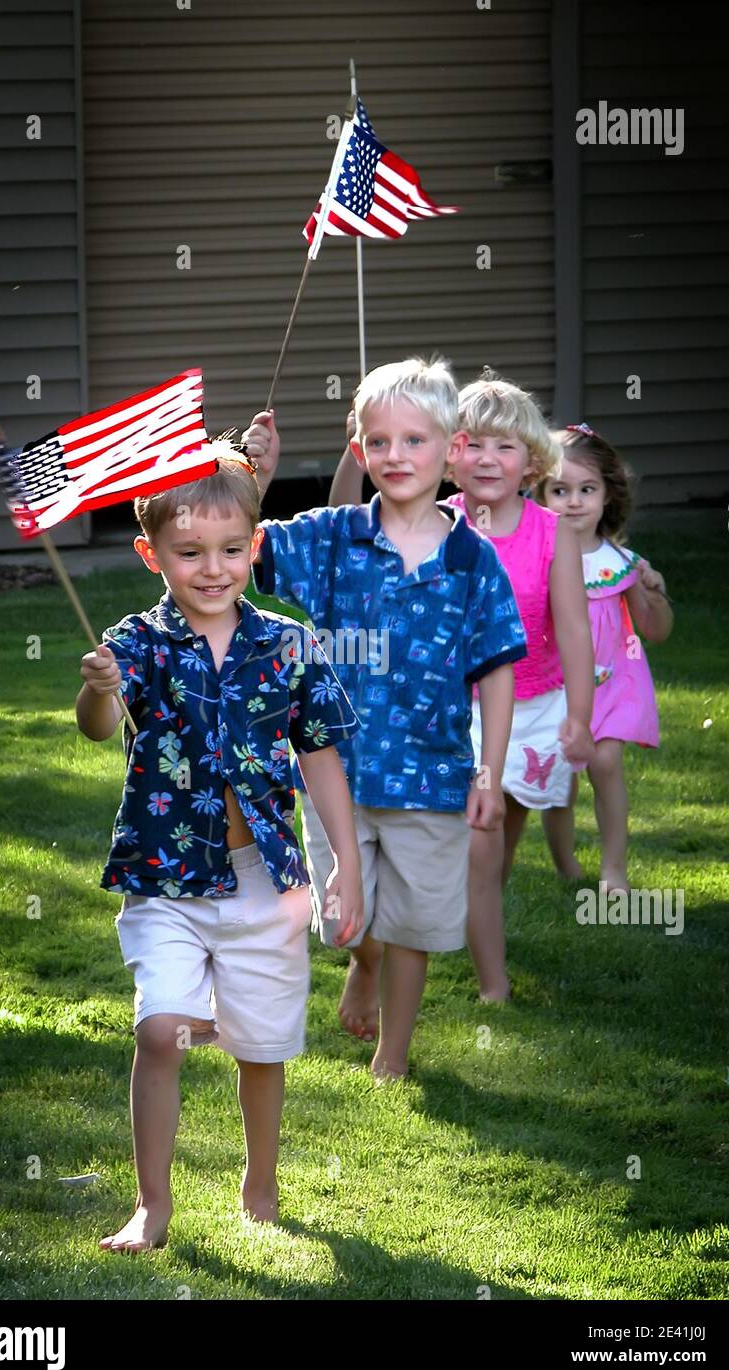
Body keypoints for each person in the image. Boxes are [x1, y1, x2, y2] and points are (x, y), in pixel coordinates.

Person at [76, 447, 363, 1250]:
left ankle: (261, 1180)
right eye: (189, 553)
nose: (212, 569)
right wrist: (97, 691)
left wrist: (347, 864)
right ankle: (152, 1205)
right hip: (166, 877)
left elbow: (321, 757)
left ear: (255, 543)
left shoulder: (288, 645)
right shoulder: (136, 645)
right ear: (151, 553)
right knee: (160, 1029)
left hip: (264, 882)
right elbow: (100, 725)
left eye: (231, 550)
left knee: (261, 1045)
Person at [243, 358, 526, 1078]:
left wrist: (489, 772)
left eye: (415, 440)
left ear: (453, 449)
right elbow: (236, 550)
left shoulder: (474, 562)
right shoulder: (333, 539)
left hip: (432, 777)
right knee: (345, 924)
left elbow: (495, 671)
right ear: (359, 448)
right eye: (380, 441)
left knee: (416, 924)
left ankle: (391, 1056)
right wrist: (255, 479)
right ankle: (360, 965)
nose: (396, 456)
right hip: (332, 771)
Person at [444, 371, 595, 1000]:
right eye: (473, 442)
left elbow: (575, 628)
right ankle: (494, 986)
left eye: (505, 447)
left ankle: (480, 919)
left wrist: (580, 716)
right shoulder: (436, 523)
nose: (487, 458)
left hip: (534, 705)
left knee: (501, 839)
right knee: (479, 843)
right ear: (451, 454)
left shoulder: (550, 531)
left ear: (532, 462)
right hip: (460, 707)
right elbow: (351, 515)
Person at [535, 423, 673, 891]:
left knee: (607, 763)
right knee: (561, 783)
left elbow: (655, 631)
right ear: (539, 494)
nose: (574, 501)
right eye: (560, 490)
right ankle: (566, 865)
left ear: (607, 495)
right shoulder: (539, 557)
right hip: (556, 687)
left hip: (613, 682)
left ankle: (614, 870)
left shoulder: (621, 563)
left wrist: (655, 595)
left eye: (586, 489)